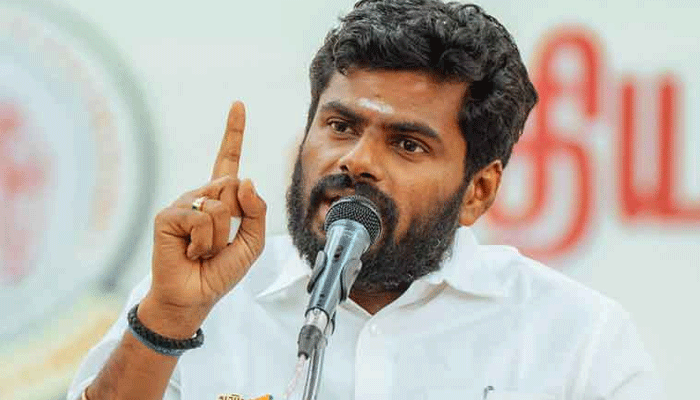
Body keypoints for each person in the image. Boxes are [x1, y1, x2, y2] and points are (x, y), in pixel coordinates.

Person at [68, 1, 664, 399]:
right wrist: (168, 321)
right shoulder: (205, 301)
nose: (356, 161)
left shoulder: (576, 340)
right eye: (340, 126)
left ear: (477, 191)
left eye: (407, 144)